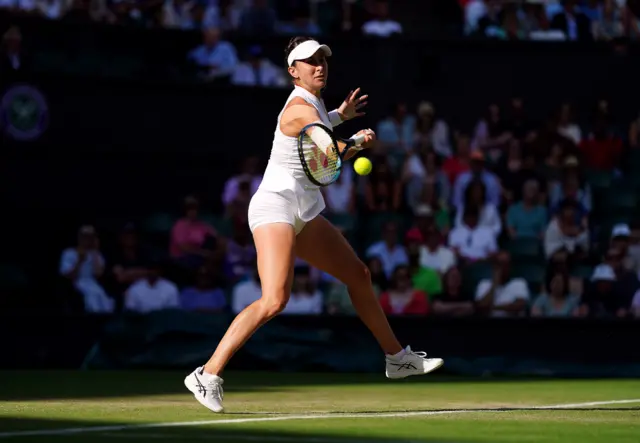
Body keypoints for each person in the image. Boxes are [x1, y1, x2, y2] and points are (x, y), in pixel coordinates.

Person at [184, 36, 443, 413]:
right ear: (293, 71)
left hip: (302, 211)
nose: (319, 66)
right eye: (309, 62)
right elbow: (329, 153)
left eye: (323, 59)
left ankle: (396, 358)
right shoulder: (299, 109)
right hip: (275, 206)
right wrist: (355, 141)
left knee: (357, 274)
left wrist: (339, 115)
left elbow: (320, 127)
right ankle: (207, 374)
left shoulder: (315, 105)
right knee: (275, 299)